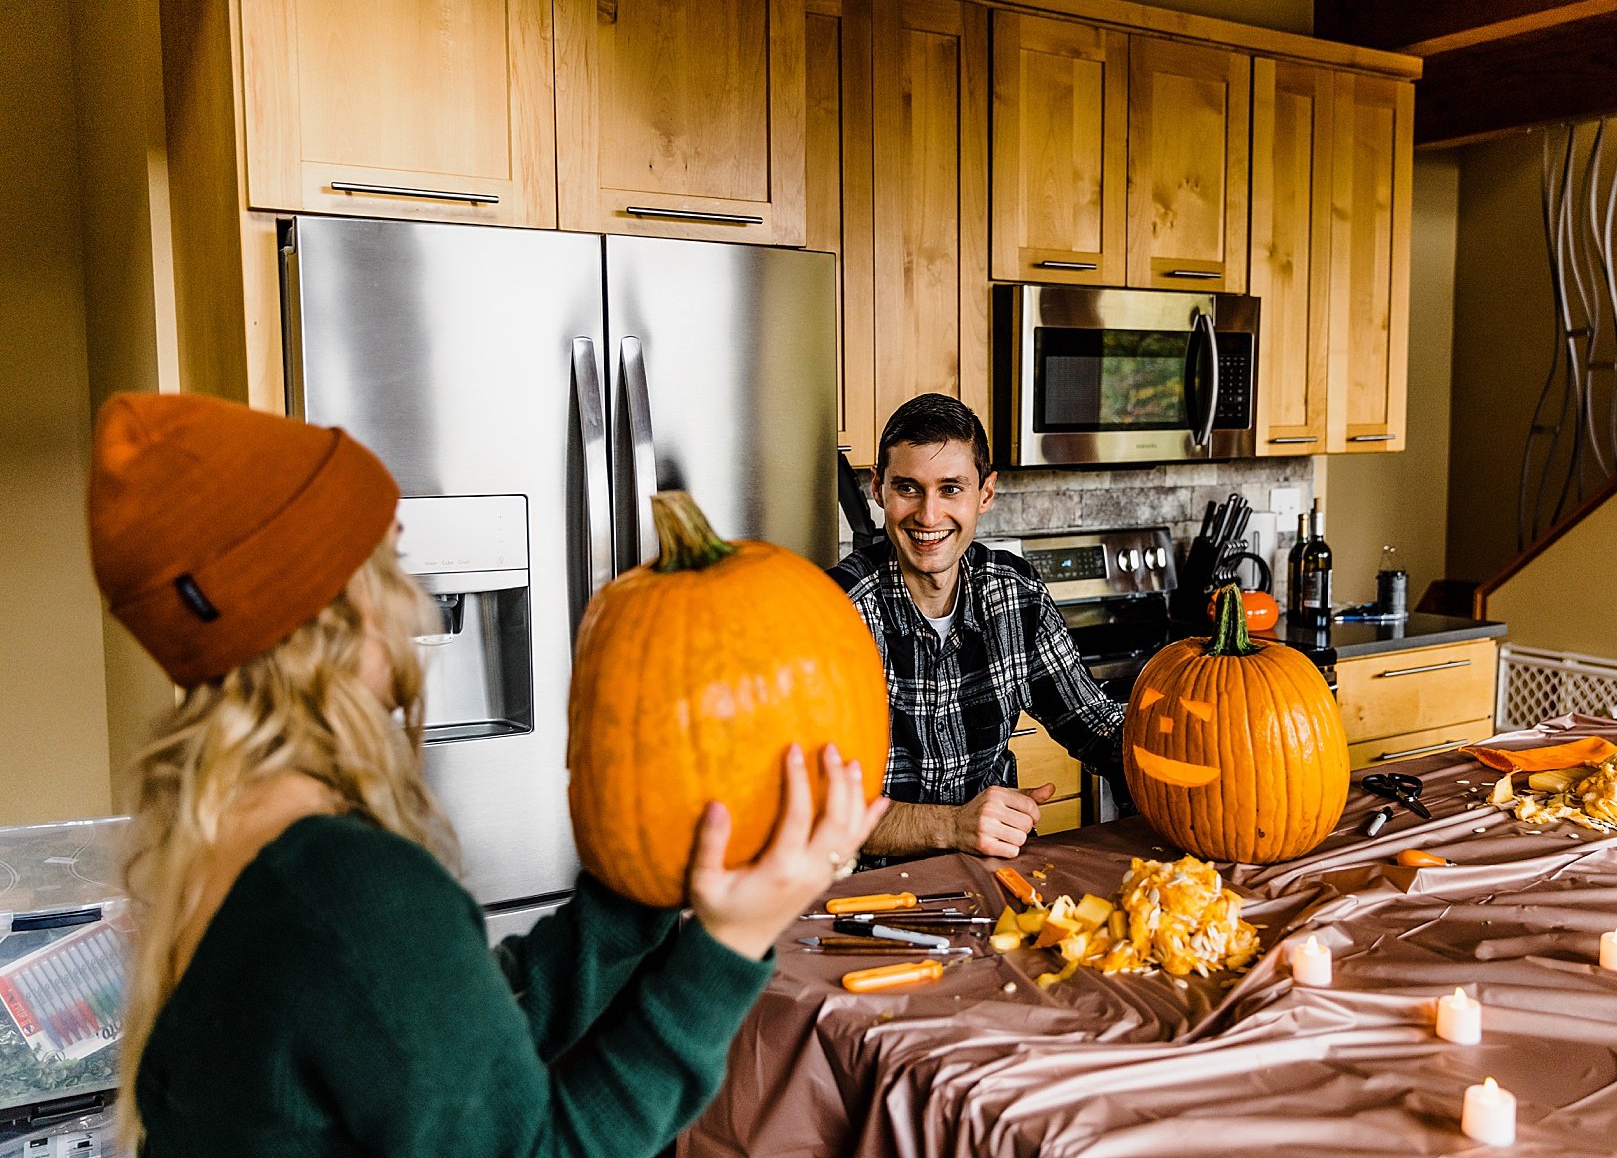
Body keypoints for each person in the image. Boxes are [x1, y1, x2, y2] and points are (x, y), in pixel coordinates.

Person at [89, 393, 885, 1157]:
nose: (413, 603)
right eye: (390, 562)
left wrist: (639, 897)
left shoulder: (223, 836)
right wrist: (729, 946)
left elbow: (456, 1035)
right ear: (341, 605)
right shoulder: (348, 887)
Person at [828, 393, 1124, 863]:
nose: (928, 516)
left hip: (993, 876)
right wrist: (951, 825)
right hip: (868, 896)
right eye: (909, 488)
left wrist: (1198, 757)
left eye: (950, 489)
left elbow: (1098, 728)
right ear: (878, 489)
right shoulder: (832, 615)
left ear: (985, 494)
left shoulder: (1014, 594)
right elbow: (813, 815)